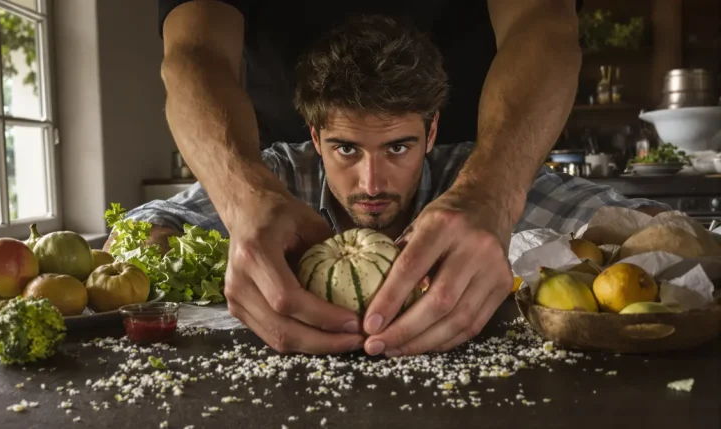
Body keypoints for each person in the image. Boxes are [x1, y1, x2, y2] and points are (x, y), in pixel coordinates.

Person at [110, 15, 670, 356]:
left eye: (398, 147)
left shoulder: (467, 175)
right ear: (315, 137)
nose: (371, 182)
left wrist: (503, 204)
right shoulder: (283, 174)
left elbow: (651, 227)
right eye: (346, 149)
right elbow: (135, 233)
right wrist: (205, 238)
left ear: (431, 133)